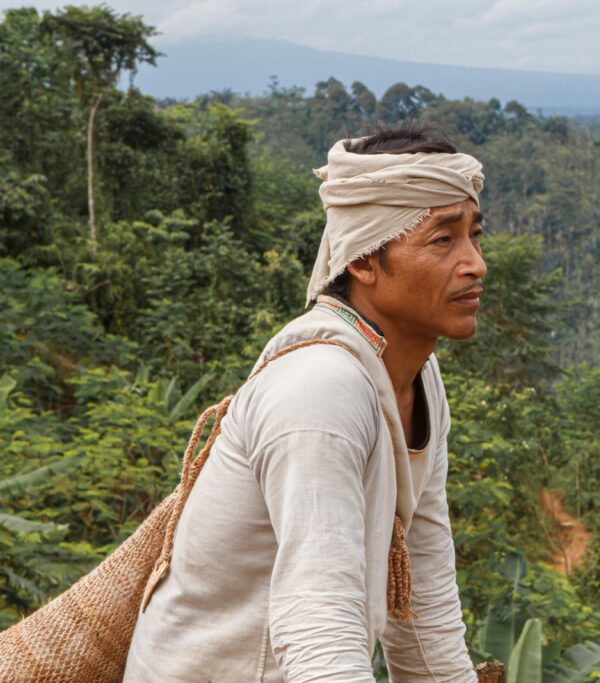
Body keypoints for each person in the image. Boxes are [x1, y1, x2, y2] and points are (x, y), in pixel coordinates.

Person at [124, 122, 485, 682]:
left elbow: (421, 603)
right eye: (443, 240)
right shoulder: (320, 389)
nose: (474, 264)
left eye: (474, 236)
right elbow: (320, 626)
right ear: (363, 260)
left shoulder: (416, 376)